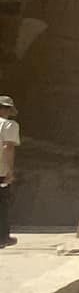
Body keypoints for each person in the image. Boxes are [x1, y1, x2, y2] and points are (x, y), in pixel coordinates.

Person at [0, 96, 19, 246]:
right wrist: (9, 171)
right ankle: (2, 237)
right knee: (3, 204)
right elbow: (8, 147)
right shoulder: (9, 125)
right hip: (0, 170)